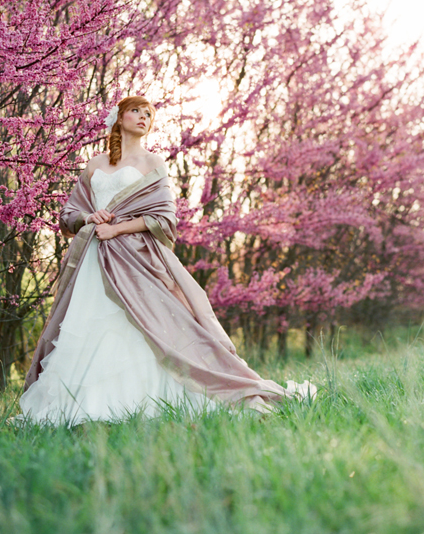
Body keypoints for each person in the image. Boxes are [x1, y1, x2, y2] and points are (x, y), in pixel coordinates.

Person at [20, 95, 315, 425]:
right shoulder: (95, 164)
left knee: (142, 322)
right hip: (94, 259)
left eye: (149, 114)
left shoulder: (153, 163)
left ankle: (150, 400)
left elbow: (165, 218)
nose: (144, 117)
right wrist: (91, 218)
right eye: (136, 111)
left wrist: (116, 229)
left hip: (134, 258)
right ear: (119, 117)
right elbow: (70, 213)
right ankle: (84, 407)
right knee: (92, 323)